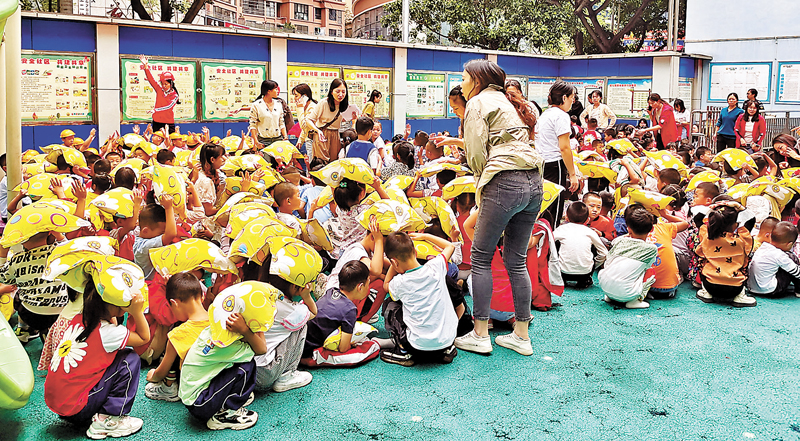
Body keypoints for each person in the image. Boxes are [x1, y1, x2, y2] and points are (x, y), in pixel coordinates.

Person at [453, 59, 543, 357]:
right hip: (534, 181)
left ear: (477, 80)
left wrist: (482, 185)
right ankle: (521, 335)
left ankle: (480, 334)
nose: (461, 83)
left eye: (464, 78)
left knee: (480, 257)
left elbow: (476, 152)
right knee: (516, 260)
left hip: (503, 180)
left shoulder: (477, 102)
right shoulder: (508, 101)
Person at [44, 277, 150, 440]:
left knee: (116, 357)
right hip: (77, 409)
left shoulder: (79, 318)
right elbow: (144, 338)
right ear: (110, 304)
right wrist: (137, 312)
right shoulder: (108, 332)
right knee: (129, 359)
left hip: (60, 405)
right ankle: (108, 419)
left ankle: (98, 412)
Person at [380, 231, 461, 366]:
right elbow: (450, 246)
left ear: (393, 262)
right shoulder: (435, 267)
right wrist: (425, 236)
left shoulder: (399, 282)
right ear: (416, 252)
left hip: (417, 346)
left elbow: (385, 286)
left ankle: (403, 352)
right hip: (446, 340)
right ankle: (447, 351)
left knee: (390, 304)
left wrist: (394, 267)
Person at [301, 261, 381, 367]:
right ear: (360, 287)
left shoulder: (331, 291)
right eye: (368, 283)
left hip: (301, 340)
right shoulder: (350, 310)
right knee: (369, 349)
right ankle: (376, 343)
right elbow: (343, 348)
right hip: (310, 353)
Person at [144, 273, 209, 402]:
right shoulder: (216, 319)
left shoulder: (178, 335)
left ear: (174, 303)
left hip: (192, 385)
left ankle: (168, 387)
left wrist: (153, 375)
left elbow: (160, 373)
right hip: (214, 378)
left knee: (173, 350)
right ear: (202, 296)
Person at [535, 81, 581, 227]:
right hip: (555, 164)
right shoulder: (561, 116)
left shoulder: (545, 114)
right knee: (555, 204)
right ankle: (552, 235)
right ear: (564, 98)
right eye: (572, 97)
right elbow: (565, 148)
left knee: (544, 202)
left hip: (542, 163)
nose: (573, 101)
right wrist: (572, 174)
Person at [695, 201, 756, 307]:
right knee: (744, 265)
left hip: (710, 285)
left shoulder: (707, 236)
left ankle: (706, 293)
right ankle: (740, 297)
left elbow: (697, 219)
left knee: (703, 262)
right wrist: (739, 206)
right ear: (735, 225)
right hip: (735, 288)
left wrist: (711, 207)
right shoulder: (742, 239)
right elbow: (751, 220)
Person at [598, 204, 659, 309]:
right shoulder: (651, 249)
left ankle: (611, 296)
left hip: (604, 286)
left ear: (628, 229)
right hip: (627, 294)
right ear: (652, 229)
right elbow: (647, 267)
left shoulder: (618, 241)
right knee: (650, 272)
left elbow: (608, 259)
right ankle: (636, 300)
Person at [553, 202, 608, 289]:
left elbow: (548, 242)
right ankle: (584, 281)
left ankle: (561, 279)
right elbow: (604, 253)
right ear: (587, 220)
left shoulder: (561, 229)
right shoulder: (590, 232)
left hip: (563, 271)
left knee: (555, 243)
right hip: (585, 273)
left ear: (566, 217)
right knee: (592, 245)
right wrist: (594, 264)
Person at [748, 221, 800, 297]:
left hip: (752, 288)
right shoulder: (779, 255)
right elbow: (796, 271)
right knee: (792, 259)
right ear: (789, 244)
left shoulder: (763, 247)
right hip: (770, 291)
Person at [133, 196, 177, 281]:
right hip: (150, 285)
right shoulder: (143, 247)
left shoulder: (140, 236)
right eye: (161, 233)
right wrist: (169, 208)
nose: (163, 235)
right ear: (145, 231)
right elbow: (171, 234)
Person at [307, 79, 349, 163]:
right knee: (321, 162)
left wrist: (353, 118)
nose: (341, 94)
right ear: (331, 92)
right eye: (337, 91)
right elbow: (309, 119)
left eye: (343, 92)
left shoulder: (345, 105)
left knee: (334, 163)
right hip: (322, 134)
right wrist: (317, 131)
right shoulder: (324, 103)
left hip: (335, 135)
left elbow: (344, 119)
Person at [138, 55, 179, 134]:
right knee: (156, 140)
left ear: (171, 83)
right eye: (162, 84)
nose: (164, 86)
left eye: (166, 84)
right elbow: (151, 80)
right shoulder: (159, 90)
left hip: (168, 122)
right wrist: (145, 66)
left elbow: (168, 107)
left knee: (169, 140)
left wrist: (155, 110)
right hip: (156, 121)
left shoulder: (175, 95)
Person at [249, 80, 287, 148]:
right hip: (263, 140)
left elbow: (281, 122)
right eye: (275, 89)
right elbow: (253, 125)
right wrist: (256, 141)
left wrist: (285, 136)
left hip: (278, 139)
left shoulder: (278, 104)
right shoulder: (256, 105)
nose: (278, 91)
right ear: (269, 91)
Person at [292, 83, 317, 161]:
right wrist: (301, 140)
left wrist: (299, 108)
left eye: (296, 96)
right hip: (309, 139)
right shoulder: (306, 106)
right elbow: (305, 128)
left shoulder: (312, 107)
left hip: (313, 140)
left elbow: (304, 125)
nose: (295, 98)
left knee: (311, 163)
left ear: (305, 96)